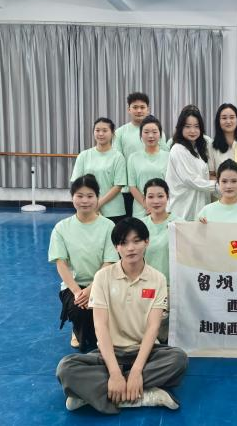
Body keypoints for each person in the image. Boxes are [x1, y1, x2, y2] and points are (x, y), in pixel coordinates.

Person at [56, 218, 188, 414]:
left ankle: (94, 394)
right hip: (109, 353)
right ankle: (143, 395)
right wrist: (114, 373)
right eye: (123, 243)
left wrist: (136, 371)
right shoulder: (102, 277)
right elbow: (100, 326)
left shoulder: (158, 279)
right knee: (66, 368)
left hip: (144, 352)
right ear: (116, 247)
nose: (130, 248)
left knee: (178, 359)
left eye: (136, 241)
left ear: (147, 242)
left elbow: (153, 327)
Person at [48, 175, 118, 352]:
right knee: (80, 311)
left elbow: (109, 262)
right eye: (79, 196)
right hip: (74, 287)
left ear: (97, 197)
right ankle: (77, 329)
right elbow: (61, 263)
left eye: (90, 196)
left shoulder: (108, 226)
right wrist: (78, 292)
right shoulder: (61, 228)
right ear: (72, 197)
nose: (85, 201)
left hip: (103, 283)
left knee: (101, 321)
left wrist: (92, 289)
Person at [113, 92, 167, 217]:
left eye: (142, 107)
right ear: (129, 109)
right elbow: (118, 161)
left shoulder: (159, 132)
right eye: (135, 107)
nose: (139, 110)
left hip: (157, 191)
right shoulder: (120, 132)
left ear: (148, 109)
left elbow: (164, 154)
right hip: (129, 189)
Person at [139, 178, 178, 342]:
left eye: (160, 196)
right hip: (145, 285)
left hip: (172, 286)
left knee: (163, 333)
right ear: (144, 199)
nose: (156, 201)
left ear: (168, 197)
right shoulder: (138, 226)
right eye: (151, 196)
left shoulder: (179, 223)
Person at [71, 117, 127, 223]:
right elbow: (76, 184)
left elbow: (118, 186)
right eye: (97, 130)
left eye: (105, 130)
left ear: (113, 134)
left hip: (113, 211)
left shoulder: (118, 157)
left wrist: (98, 204)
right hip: (87, 208)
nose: (101, 134)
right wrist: (90, 204)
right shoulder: (84, 155)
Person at [165, 105, 214, 221]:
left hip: (198, 205)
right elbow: (191, 180)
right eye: (187, 126)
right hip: (182, 208)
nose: (192, 131)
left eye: (196, 126)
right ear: (180, 128)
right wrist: (217, 186)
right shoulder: (178, 149)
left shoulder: (199, 148)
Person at [126, 116, 169, 219]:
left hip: (163, 208)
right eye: (146, 132)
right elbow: (132, 186)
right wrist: (146, 205)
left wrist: (158, 205)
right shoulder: (133, 157)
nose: (150, 136)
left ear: (160, 134)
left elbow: (171, 185)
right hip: (141, 210)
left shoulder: (169, 157)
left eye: (154, 132)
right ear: (141, 134)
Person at [198, 159, 237, 224]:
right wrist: (200, 227)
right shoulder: (206, 212)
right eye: (224, 181)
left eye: (234, 181)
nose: (229, 186)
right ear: (218, 182)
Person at [208, 103, 237, 177]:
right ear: (218, 121)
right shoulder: (211, 146)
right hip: (220, 184)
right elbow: (211, 175)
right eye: (224, 118)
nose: (228, 121)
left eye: (232, 117)